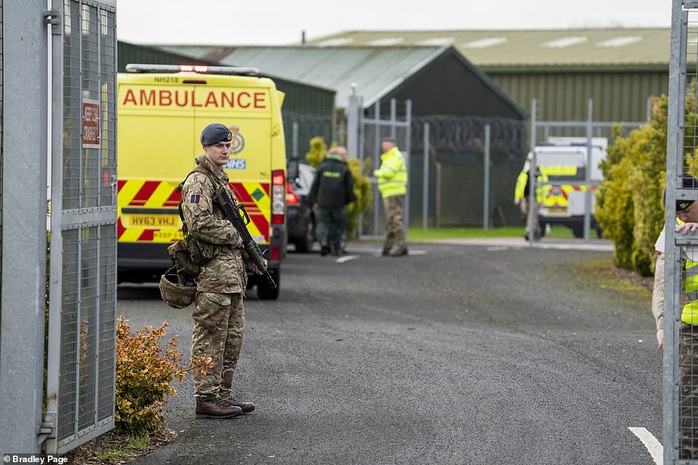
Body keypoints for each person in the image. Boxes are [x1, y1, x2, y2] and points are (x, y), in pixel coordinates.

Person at [180, 123, 261, 419]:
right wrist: (234, 236)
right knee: (210, 336)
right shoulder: (199, 182)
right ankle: (205, 398)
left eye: (228, 146)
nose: (225, 150)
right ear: (205, 148)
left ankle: (223, 396)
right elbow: (198, 223)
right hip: (213, 276)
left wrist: (250, 256)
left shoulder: (220, 180)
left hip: (231, 275)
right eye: (219, 146)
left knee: (231, 337)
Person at [652, 173, 698, 457]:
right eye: (678, 214)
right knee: (690, 401)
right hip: (693, 330)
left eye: (689, 209)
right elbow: (662, 285)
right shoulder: (675, 233)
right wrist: (662, 324)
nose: (685, 218)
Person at [309, 146, 356, 256]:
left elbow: (315, 184)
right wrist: (349, 200)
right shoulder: (344, 168)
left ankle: (323, 242)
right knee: (337, 225)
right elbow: (349, 186)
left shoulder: (322, 167)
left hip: (322, 202)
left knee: (322, 223)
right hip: (338, 203)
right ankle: (335, 247)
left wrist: (314, 199)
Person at [374, 138, 408, 256]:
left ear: (391, 145)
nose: (383, 148)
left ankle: (402, 246)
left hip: (394, 192)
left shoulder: (395, 157)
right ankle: (387, 247)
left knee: (395, 219)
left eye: (385, 145)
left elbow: (388, 173)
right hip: (389, 192)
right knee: (390, 220)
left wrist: (377, 173)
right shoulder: (389, 157)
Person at [514, 154, 549, 241]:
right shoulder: (525, 174)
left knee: (531, 214)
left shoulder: (540, 175)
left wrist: (543, 200)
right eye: (530, 162)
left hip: (536, 198)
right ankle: (537, 231)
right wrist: (517, 197)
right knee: (530, 215)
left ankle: (529, 232)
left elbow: (544, 188)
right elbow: (519, 186)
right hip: (526, 198)